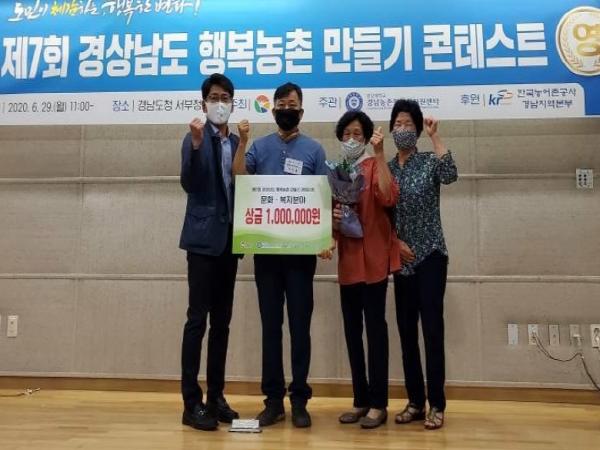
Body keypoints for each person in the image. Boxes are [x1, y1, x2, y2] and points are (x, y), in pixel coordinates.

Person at [232, 82, 328, 428]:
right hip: (267, 253)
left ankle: (299, 399)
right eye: (281, 104)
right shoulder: (259, 147)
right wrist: (242, 142)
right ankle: (273, 401)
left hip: (302, 255)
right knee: (271, 328)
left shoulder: (314, 150)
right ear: (273, 110)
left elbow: (323, 198)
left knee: (300, 328)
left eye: (292, 104)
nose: (287, 109)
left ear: (301, 110)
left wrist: (327, 237)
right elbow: (239, 179)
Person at [179, 73, 250, 431]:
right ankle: (191, 403)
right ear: (204, 102)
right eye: (214, 97)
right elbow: (190, 184)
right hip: (202, 241)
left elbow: (244, 186)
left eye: (225, 98)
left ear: (232, 103)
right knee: (197, 321)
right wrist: (195, 145)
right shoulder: (194, 137)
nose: (220, 103)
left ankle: (215, 396)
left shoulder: (236, 141)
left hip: (229, 243)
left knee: (222, 322)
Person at [387, 99, 458, 430]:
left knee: (432, 330)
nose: (402, 129)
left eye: (407, 124)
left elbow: (451, 174)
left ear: (416, 129)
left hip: (430, 255)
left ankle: (437, 404)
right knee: (406, 332)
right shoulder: (387, 168)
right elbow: (380, 213)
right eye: (397, 124)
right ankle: (415, 401)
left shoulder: (429, 161)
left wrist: (434, 136)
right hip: (401, 259)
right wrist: (394, 243)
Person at [329, 111, 401, 429]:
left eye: (357, 133)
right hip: (348, 262)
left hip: (374, 261)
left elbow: (388, 196)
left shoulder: (373, 165)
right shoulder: (338, 171)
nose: (351, 139)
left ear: (367, 137)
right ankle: (360, 399)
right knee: (352, 332)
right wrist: (332, 227)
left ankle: (378, 403)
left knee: (375, 330)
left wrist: (380, 154)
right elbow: (331, 216)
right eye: (346, 133)